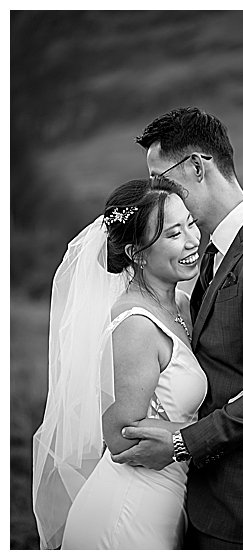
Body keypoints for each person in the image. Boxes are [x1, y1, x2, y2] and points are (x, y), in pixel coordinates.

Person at [111, 107, 243, 549]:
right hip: (207, 498)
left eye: (160, 180)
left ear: (195, 167)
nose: (155, 194)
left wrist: (184, 443)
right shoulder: (218, 252)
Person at [32, 178, 205, 549]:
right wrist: (223, 432)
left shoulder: (183, 305)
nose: (193, 241)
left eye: (191, 223)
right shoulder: (136, 324)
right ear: (138, 254)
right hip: (129, 513)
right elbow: (120, 436)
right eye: (174, 234)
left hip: (169, 501)